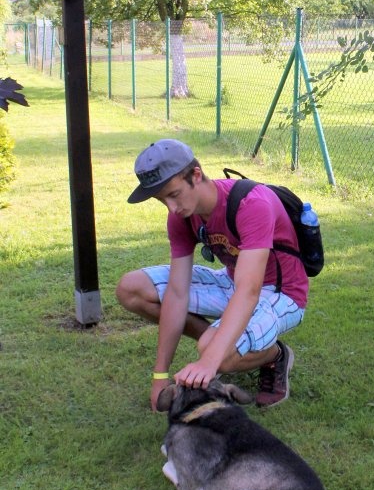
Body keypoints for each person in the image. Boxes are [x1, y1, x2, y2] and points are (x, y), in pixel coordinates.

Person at [116, 139, 308, 410]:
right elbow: (177, 291)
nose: (171, 208)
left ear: (196, 175)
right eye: (162, 201)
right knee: (132, 288)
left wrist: (210, 360)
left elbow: (249, 291)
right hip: (232, 282)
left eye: (174, 194)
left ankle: (274, 355)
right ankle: (226, 344)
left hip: (281, 292)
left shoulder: (252, 204)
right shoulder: (182, 215)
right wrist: (160, 375)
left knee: (214, 351)